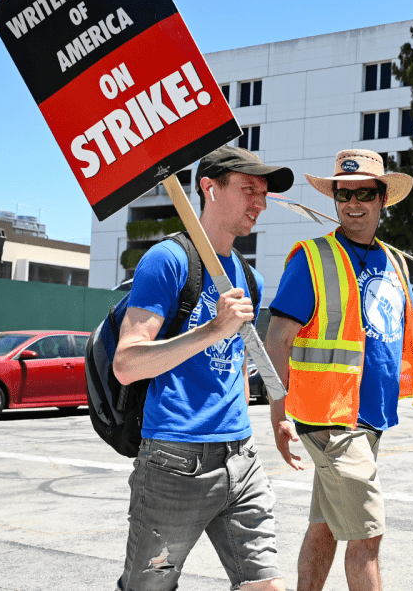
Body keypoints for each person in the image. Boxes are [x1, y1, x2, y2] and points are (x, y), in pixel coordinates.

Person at [266, 149, 413, 591]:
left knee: (325, 526)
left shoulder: (393, 264)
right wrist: (278, 412)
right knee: (368, 535)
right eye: (344, 194)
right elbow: (277, 338)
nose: (352, 203)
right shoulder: (312, 258)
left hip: (370, 418)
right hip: (330, 422)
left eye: (363, 194)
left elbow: (411, 334)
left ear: (382, 200)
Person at [113, 147, 293, 591]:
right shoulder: (168, 260)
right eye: (249, 189)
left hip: (241, 460)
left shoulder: (249, 278)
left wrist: (278, 413)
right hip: (175, 463)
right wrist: (214, 328)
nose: (261, 203)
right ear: (209, 188)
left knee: (265, 585)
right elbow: (127, 364)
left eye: (264, 193)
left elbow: (238, 360)